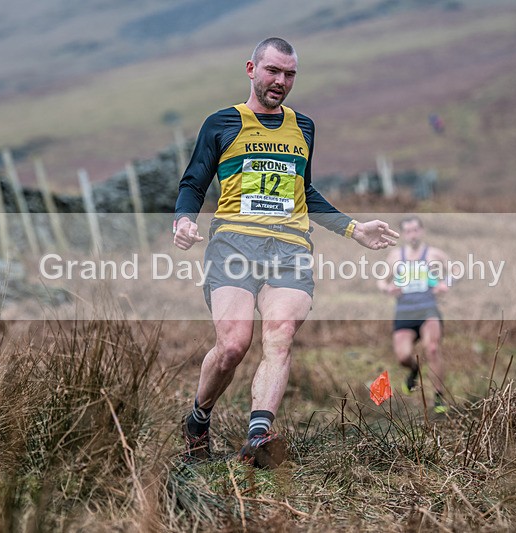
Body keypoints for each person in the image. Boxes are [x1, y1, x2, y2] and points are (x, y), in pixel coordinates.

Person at [174, 37, 398, 467]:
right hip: (234, 244)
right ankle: (198, 420)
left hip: (290, 247)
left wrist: (354, 229)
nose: (280, 81)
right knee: (234, 346)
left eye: (289, 74)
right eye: (273, 71)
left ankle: (259, 438)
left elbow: (304, 192)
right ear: (251, 69)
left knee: (279, 334)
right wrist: (184, 219)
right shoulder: (222, 123)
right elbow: (193, 182)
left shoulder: (304, 127)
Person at [377, 216, 449, 413]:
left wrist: (444, 284)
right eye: (408, 231)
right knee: (403, 357)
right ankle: (414, 369)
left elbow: (455, 271)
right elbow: (382, 281)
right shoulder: (395, 256)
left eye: (416, 230)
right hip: (404, 312)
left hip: (428, 309)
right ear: (403, 234)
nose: (413, 234)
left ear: (422, 231)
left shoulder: (433, 254)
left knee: (432, 349)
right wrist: (387, 289)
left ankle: (439, 396)